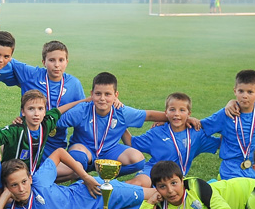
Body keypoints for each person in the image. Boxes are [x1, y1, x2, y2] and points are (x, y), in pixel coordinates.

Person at [56, 72, 189, 179]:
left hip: (109, 151)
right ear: (91, 94)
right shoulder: (81, 110)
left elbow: (149, 115)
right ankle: (80, 175)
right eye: (98, 94)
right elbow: (56, 122)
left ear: (116, 95)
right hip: (85, 150)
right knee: (78, 156)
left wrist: (180, 118)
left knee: (137, 160)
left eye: (108, 94)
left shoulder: (121, 112)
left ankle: (104, 175)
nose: (102, 98)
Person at [0, 159, 156, 209]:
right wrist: (5, 195)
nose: (21, 189)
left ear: (30, 178)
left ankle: (169, 181)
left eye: (23, 182)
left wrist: (85, 176)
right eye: (14, 185)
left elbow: (59, 153)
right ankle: (144, 178)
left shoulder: (39, 181)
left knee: (156, 195)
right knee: (142, 201)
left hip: (95, 193)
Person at [125, 92, 219, 188]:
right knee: (139, 183)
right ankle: (116, 191)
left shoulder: (196, 134)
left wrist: (225, 124)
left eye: (182, 110)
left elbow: (220, 143)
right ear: (166, 112)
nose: (176, 114)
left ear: (189, 114)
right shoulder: (157, 132)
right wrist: (120, 125)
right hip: (153, 172)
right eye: (172, 110)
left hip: (175, 180)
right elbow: (131, 143)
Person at [8, 40, 86, 152]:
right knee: (6, 149)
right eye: (51, 60)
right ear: (44, 62)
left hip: (56, 142)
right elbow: (6, 59)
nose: (57, 65)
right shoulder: (31, 75)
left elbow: (82, 112)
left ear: (67, 62)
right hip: (29, 139)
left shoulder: (74, 84)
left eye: (61, 60)